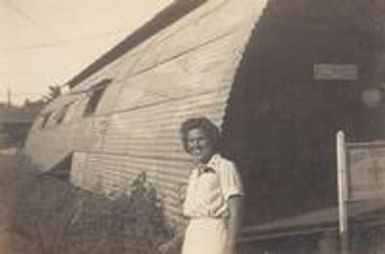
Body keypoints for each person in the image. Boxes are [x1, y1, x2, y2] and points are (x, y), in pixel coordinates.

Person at [160, 117, 244, 254]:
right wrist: (173, 243)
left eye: (201, 139)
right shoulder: (194, 174)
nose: (196, 145)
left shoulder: (225, 167)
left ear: (211, 139)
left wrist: (229, 249)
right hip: (193, 240)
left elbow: (236, 213)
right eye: (191, 141)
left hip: (215, 237)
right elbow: (195, 219)